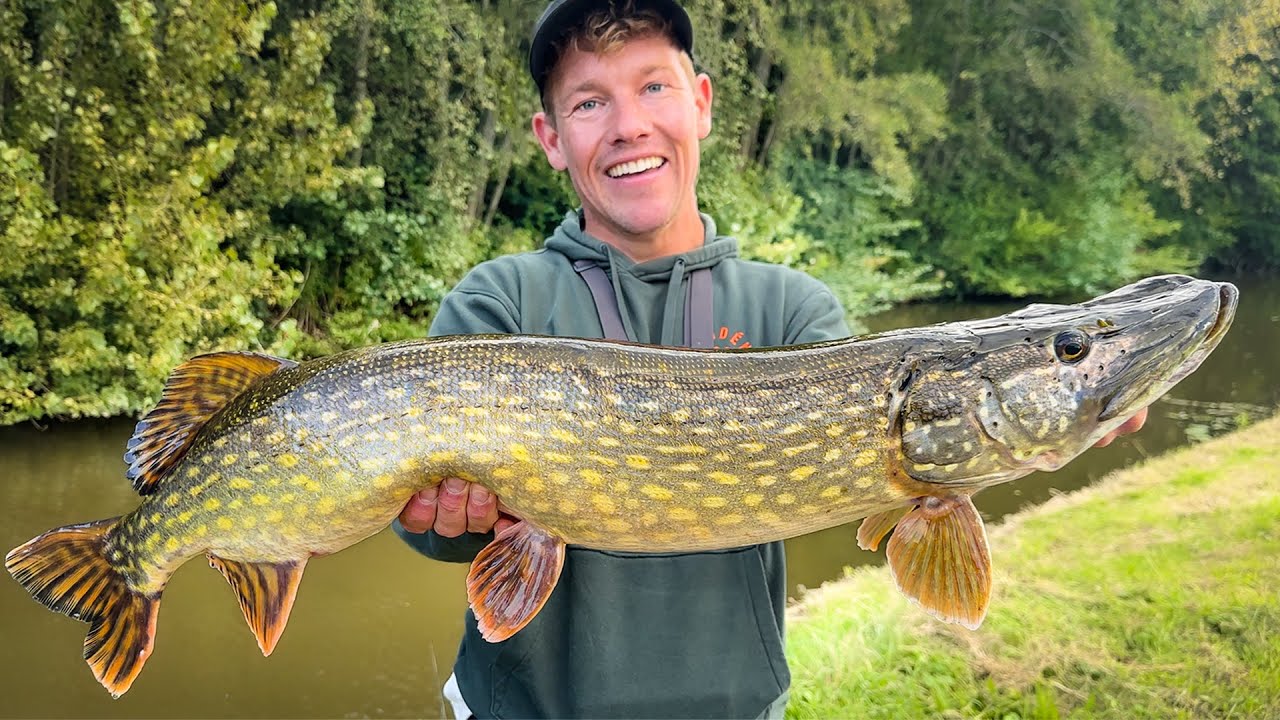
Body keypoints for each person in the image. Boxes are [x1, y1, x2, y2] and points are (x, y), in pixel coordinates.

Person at [394, 1, 1148, 717]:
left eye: (654, 86)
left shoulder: (793, 311)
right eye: (589, 102)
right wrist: (452, 522)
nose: (628, 125)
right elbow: (423, 524)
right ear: (551, 136)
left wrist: (1033, 435)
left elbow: (914, 476)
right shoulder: (499, 303)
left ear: (702, 103)